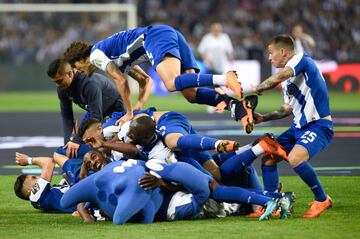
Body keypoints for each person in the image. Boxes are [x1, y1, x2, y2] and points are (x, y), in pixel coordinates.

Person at [63, 24, 243, 125]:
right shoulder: (115, 56)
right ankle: (233, 104)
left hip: (155, 37)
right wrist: (139, 104)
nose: (78, 71)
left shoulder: (95, 56)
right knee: (191, 94)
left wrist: (128, 112)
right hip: (168, 33)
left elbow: (119, 81)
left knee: (171, 84)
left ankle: (223, 78)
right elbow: (145, 80)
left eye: (75, 66)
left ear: (80, 59)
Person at [253, 34, 333, 218]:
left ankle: (322, 199)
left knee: (295, 158)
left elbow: (277, 77)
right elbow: (286, 109)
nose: (269, 57)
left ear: (283, 52)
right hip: (298, 128)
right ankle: (273, 204)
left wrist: (261, 86)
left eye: (271, 53)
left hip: (319, 125)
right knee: (269, 157)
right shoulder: (289, 81)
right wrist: (262, 118)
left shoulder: (301, 59)